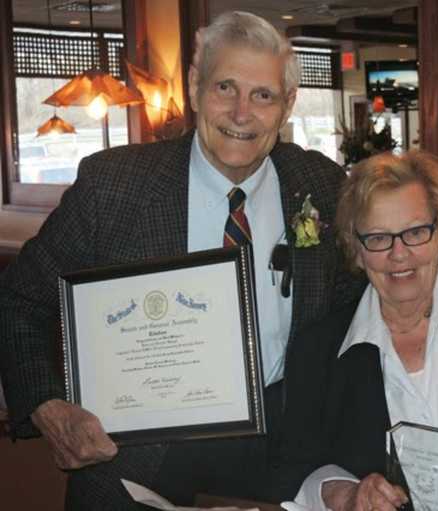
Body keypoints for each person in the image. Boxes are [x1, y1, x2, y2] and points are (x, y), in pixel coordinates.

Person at [0, 11, 361, 510]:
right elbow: (20, 300)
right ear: (194, 87)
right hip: (136, 458)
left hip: (286, 458)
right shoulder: (114, 186)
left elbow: (354, 308)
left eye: (263, 95)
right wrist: (46, 404)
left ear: (288, 105)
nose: (241, 113)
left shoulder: (320, 184)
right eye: (225, 87)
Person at [275, 151, 438, 510]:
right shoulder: (319, 349)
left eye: (415, 232)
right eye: (378, 238)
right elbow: (293, 468)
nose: (399, 254)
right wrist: (344, 493)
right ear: (357, 250)